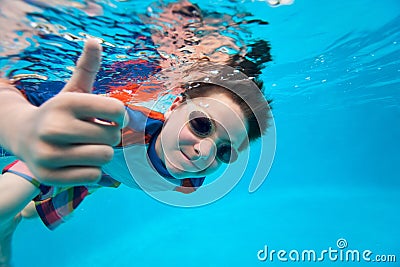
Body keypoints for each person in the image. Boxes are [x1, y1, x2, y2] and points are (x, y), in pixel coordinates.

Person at [0, 1, 273, 265]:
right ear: (174, 104)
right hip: (77, 154)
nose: (205, 152)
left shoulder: (192, 180)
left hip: (100, 177)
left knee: (30, 212)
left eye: (224, 151)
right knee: (6, 206)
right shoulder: (123, 123)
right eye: (201, 125)